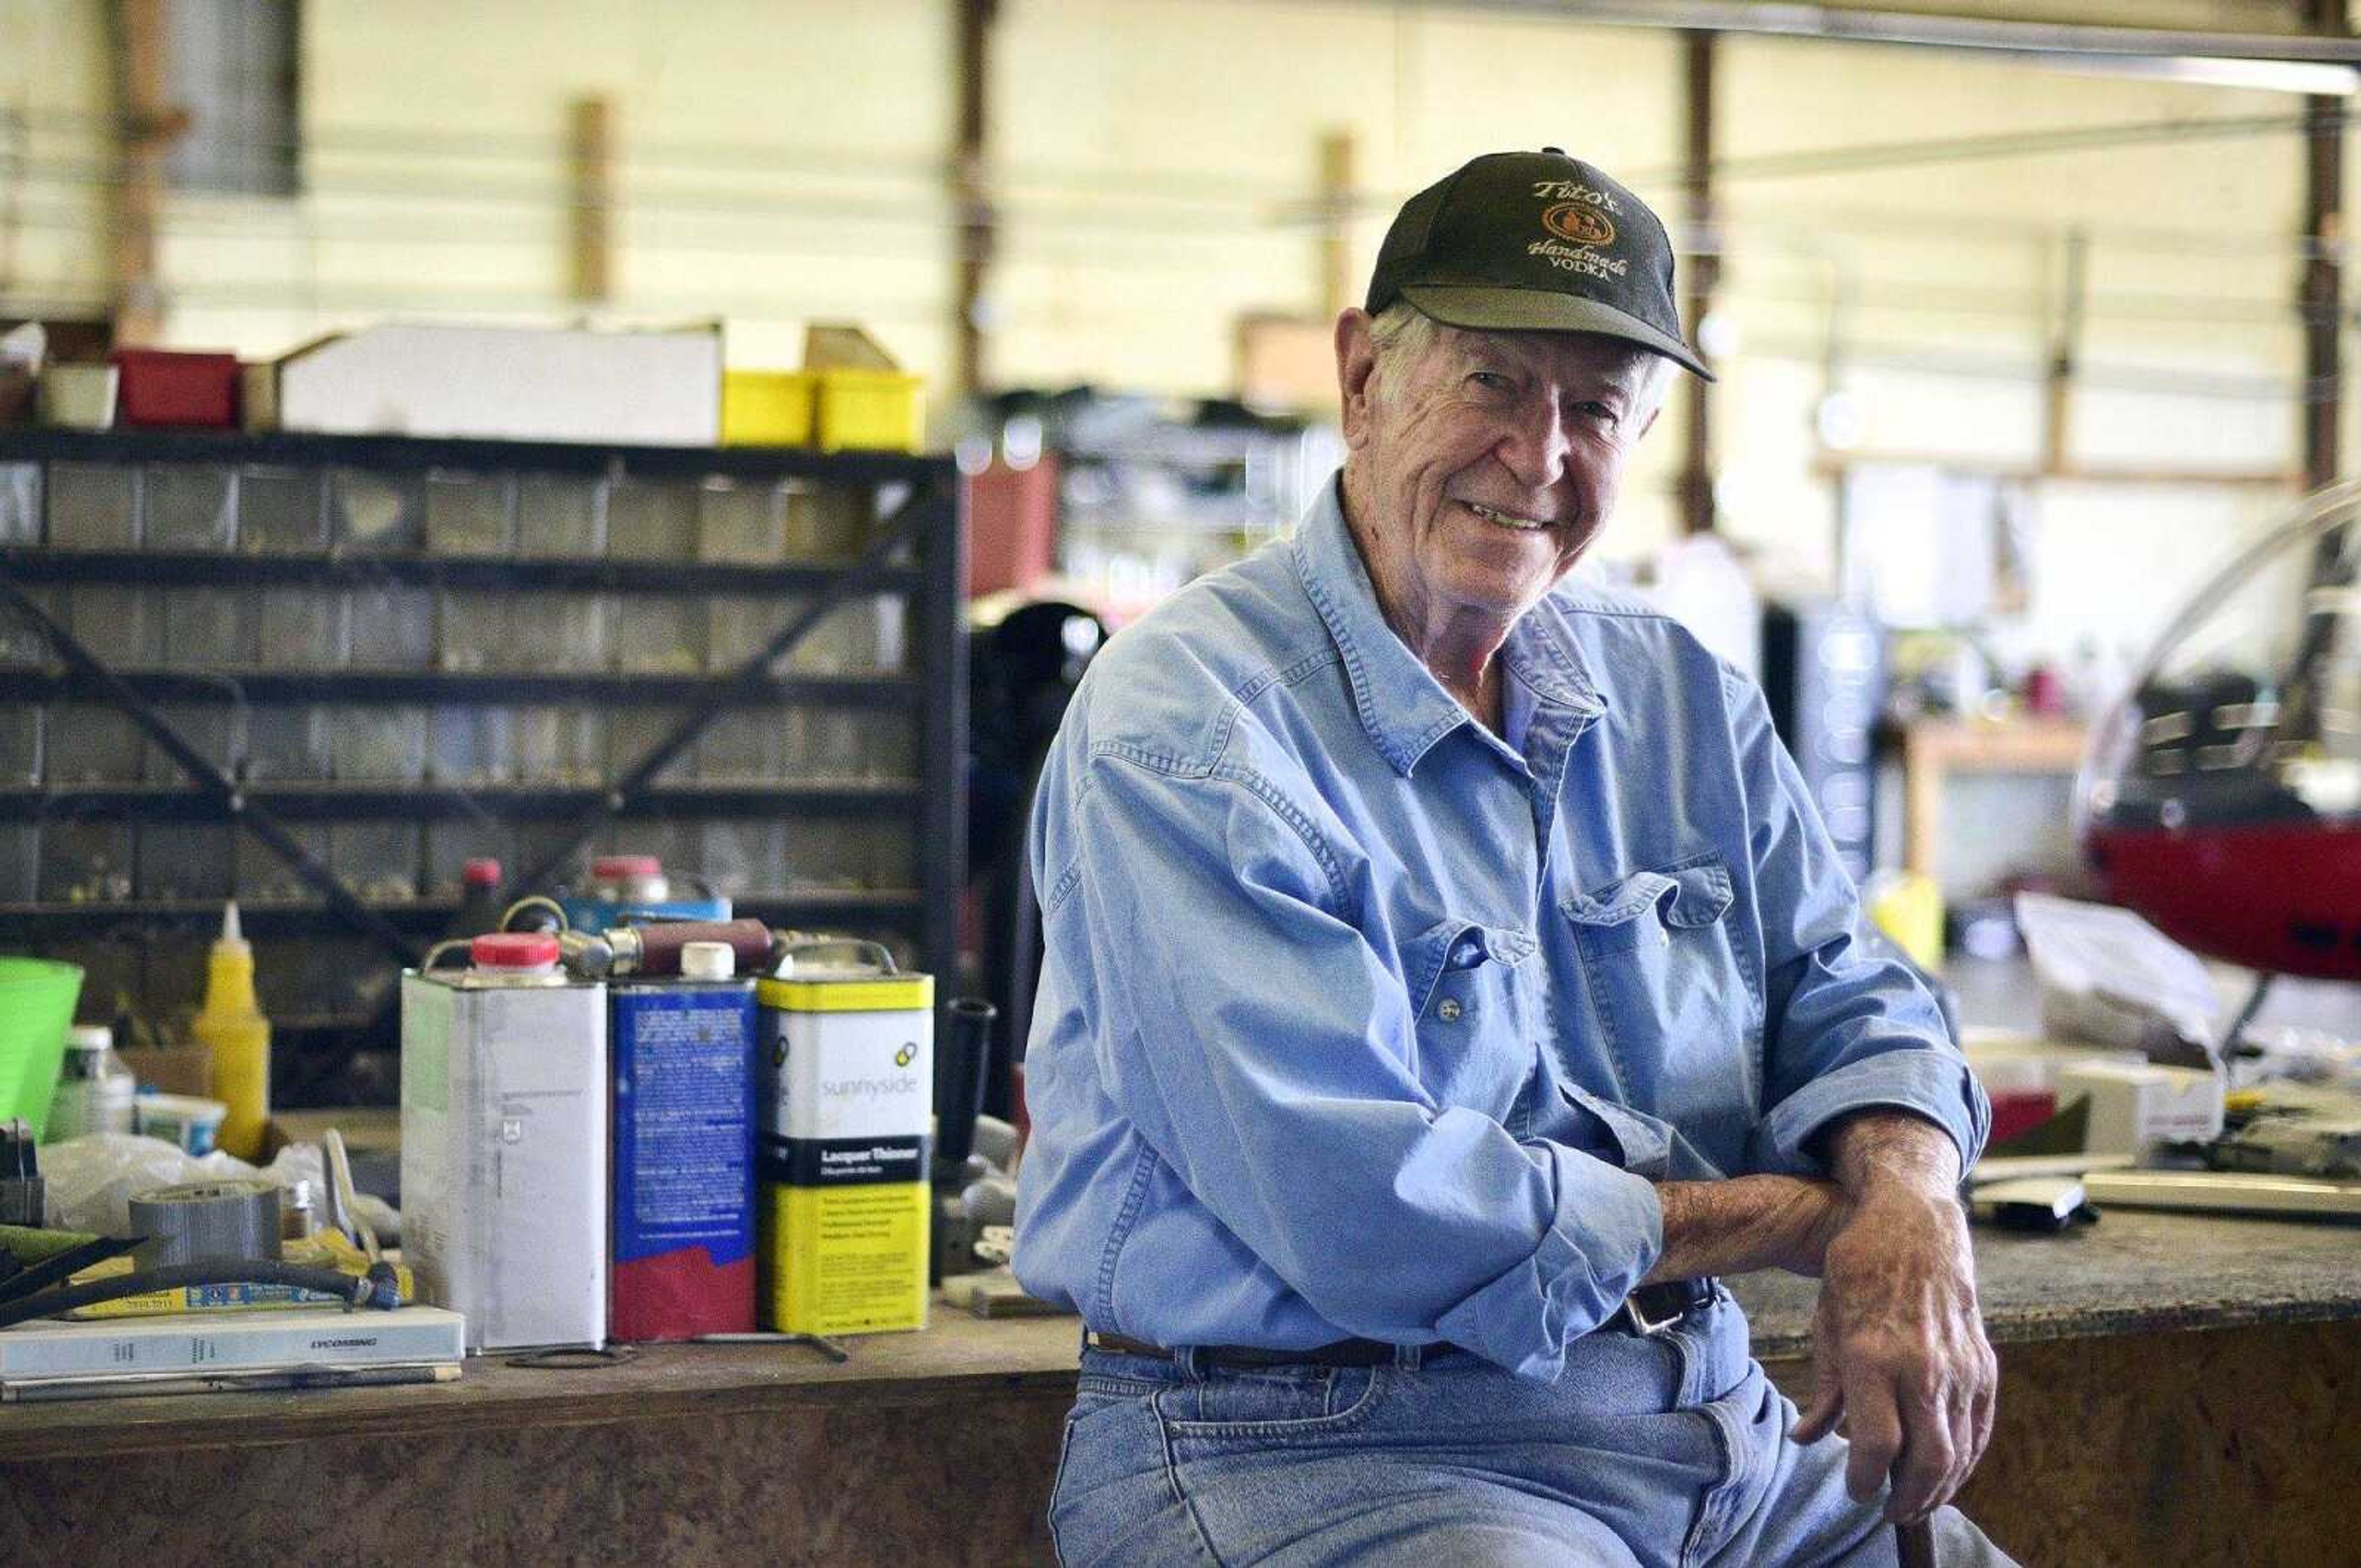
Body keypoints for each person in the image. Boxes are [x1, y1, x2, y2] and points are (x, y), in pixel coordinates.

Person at [1013, 148, 2014, 1567]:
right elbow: (1360, 1204)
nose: (1541, 455)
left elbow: (1850, 989)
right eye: (1492, 383)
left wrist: (1908, 1196)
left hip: (1720, 1433)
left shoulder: (1681, 699)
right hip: (1326, 1448)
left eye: (1595, 408)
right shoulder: (1186, 720)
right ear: (1362, 377)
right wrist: (1807, 1220)